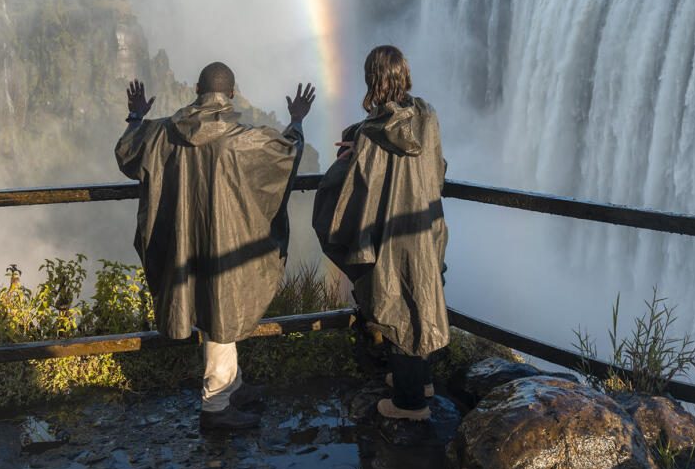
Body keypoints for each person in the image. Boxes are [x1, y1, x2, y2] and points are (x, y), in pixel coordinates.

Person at [115, 62, 315, 431]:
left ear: (195, 89)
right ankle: (216, 407)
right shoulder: (243, 138)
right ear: (232, 94)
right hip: (225, 241)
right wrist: (298, 119)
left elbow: (127, 154)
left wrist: (136, 115)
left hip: (183, 243)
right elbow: (287, 153)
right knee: (221, 307)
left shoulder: (162, 133)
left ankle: (233, 385)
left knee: (216, 308)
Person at [312, 45, 448, 421]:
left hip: (390, 231)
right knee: (419, 295)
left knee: (396, 303)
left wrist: (349, 157)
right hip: (426, 224)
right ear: (404, 74)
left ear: (374, 79)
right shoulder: (428, 116)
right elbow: (437, 167)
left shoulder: (372, 131)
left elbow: (357, 189)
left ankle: (409, 405)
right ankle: (421, 381)